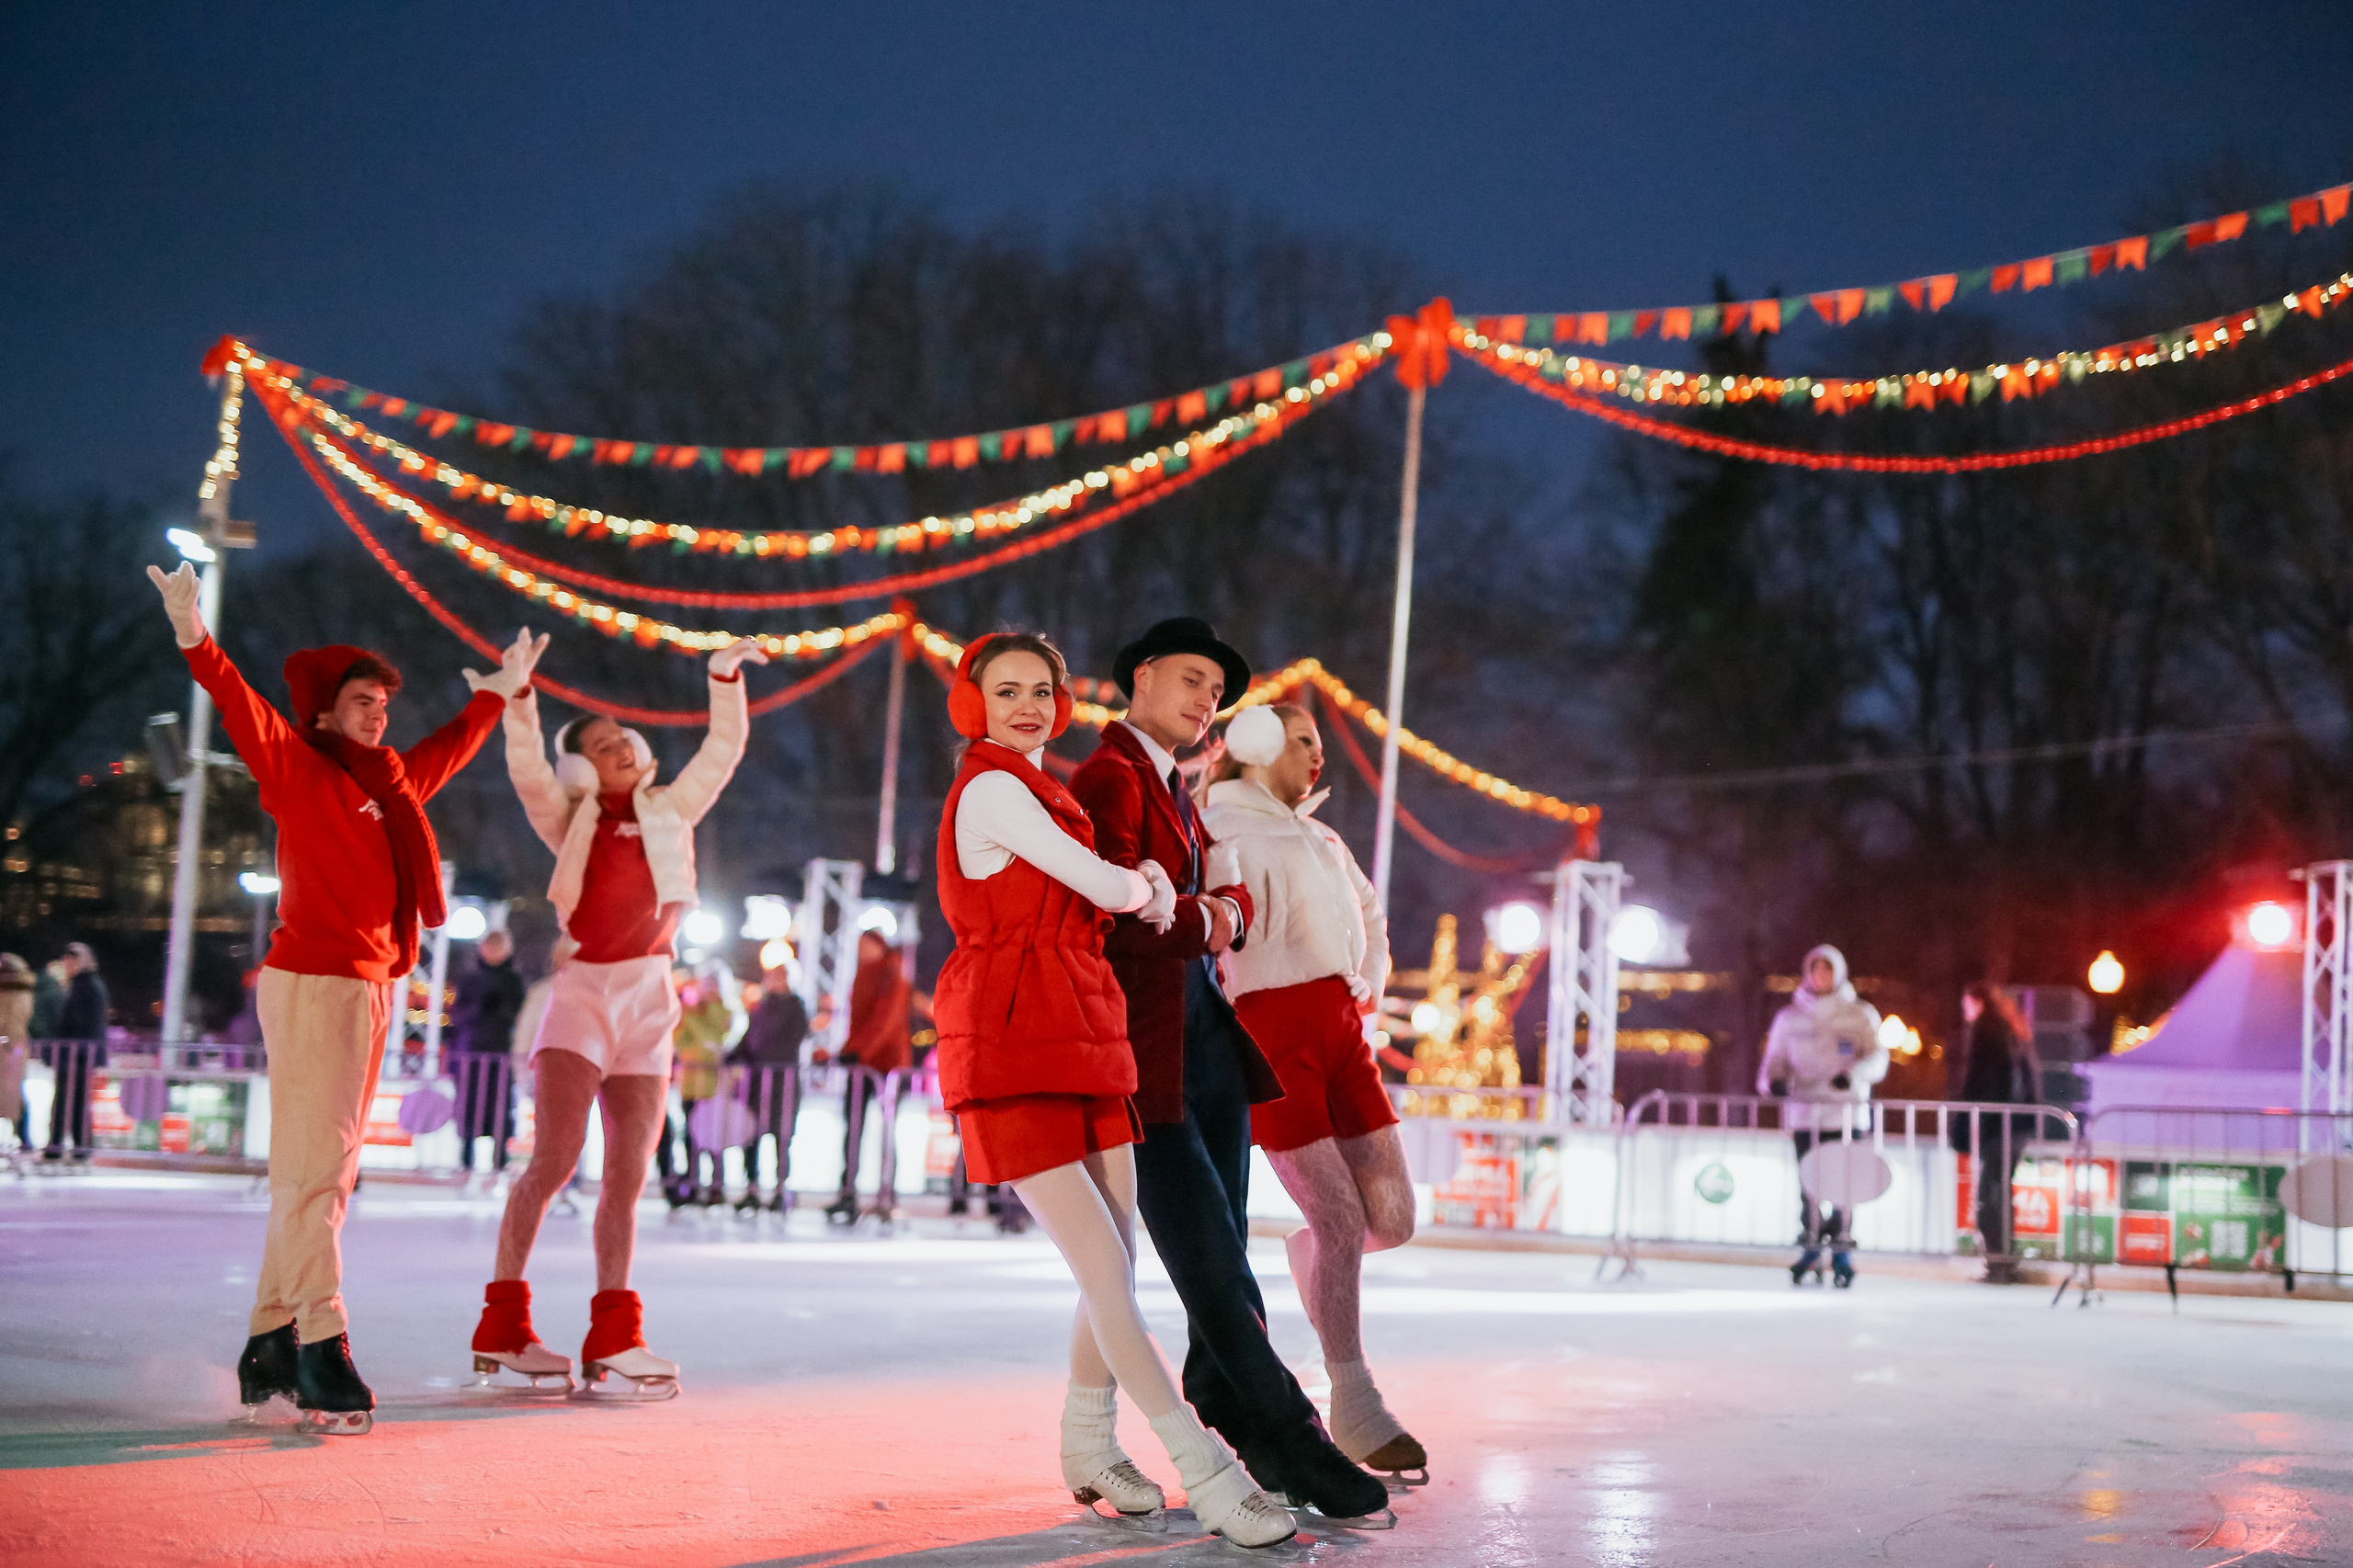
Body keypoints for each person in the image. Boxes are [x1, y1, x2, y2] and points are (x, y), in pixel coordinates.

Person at [146, 559, 533, 1436]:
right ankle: (321, 1344)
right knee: (319, 1178)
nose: (380, 714)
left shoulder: (388, 787)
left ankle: (269, 1341)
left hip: (366, 985)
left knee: (319, 1176)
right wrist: (191, 632)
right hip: (317, 982)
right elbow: (239, 701)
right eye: (363, 701)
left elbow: (444, 748)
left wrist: (498, 698)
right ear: (323, 713)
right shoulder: (299, 770)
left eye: (384, 704)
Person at [936, 630, 1292, 1546]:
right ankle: (1204, 1471)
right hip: (1016, 1035)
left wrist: (1159, 879)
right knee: (1106, 1270)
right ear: (973, 702)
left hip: (1082, 1024)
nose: (1026, 705)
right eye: (1006, 689)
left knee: (1118, 1259)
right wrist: (1143, 881)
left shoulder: (1046, 787)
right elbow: (1105, 884)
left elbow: (1124, 889)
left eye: (1041, 690)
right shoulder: (991, 787)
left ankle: (1087, 1438)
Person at [1071, 617, 1392, 1527]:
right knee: (1203, 1247)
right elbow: (1127, 912)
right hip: (1146, 1041)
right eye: (1190, 677)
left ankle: (1222, 1382)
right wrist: (1211, 915)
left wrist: (1219, 907)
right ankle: (1287, 1430)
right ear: (1140, 676)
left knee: (1227, 1241)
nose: (1207, 698)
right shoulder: (1108, 773)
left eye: (1216, 687)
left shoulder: (1175, 782)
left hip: (1201, 1031)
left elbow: (1221, 908)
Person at [469, 635, 761, 1398]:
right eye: (600, 747)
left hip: (650, 1000)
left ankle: (614, 1334)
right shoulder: (570, 820)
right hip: (584, 996)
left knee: (629, 1175)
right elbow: (529, 772)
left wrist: (722, 676)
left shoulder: (672, 808)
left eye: (622, 738)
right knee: (555, 1159)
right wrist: (520, 700)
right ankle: (502, 1325)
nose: (620, 748)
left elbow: (721, 751)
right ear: (582, 769)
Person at [1204, 703, 1424, 1481]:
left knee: (1391, 1220)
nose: (1317, 757)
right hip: (1271, 1028)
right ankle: (1355, 1400)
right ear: (1258, 743)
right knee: (1338, 1216)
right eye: (1303, 741)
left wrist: (1371, 982)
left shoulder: (1323, 836)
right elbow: (1212, 929)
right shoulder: (1217, 820)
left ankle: (1319, 1259)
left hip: (1341, 1026)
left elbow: (1371, 915)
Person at [1756, 943, 1888, 1288]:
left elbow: (1877, 1058)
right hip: (1806, 1114)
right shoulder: (1790, 1018)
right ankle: (1812, 1241)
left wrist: (1855, 1074)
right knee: (1810, 1185)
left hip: (1845, 1115)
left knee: (1843, 1186)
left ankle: (1841, 1245)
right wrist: (1775, 1082)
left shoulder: (1860, 1014)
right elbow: (1774, 1061)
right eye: (1815, 970)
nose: (1821, 977)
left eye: (1827, 970)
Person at [1954, 981, 2044, 1284]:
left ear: (1977, 1003)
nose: (1965, 1011)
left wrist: (1964, 1123)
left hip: (1999, 1124)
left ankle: (1999, 1261)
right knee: (1999, 1190)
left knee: (1991, 1194)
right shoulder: (2012, 1030)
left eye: (1967, 1004)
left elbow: (1978, 1081)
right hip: (2017, 1123)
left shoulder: (1987, 1031)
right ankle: (2003, 1259)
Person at [825, 929, 912, 1224]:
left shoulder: (892, 972)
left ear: (879, 946)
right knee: (853, 1129)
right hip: (861, 1062)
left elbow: (885, 1020)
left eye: (866, 946)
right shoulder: (862, 973)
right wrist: (851, 1051)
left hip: (886, 1064)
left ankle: (887, 1195)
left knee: (887, 1132)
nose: (862, 951)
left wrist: (855, 1052)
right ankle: (848, 1193)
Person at [728, 960, 808, 1212]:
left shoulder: (796, 1007)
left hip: (782, 1082)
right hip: (758, 1081)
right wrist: (736, 1055)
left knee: (782, 1137)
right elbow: (749, 1037)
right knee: (751, 1135)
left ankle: (780, 1190)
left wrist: (764, 1059)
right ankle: (751, 1187)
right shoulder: (761, 1006)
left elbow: (793, 1040)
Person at [449, 930, 527, 1177]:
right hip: (471, 1051)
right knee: (470, 1105)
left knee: (500, 1105)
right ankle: (466, 1156)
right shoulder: (471, 980)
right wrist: (478, 1010)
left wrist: (501, 1011)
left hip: (501, 1052)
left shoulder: (513, 982)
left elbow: (521, 1016)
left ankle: (500, 1156)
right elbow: (457, 1015)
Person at [0, 953, 32, 1156]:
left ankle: (21, 1139)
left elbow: (8, 1024)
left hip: (7, 1051)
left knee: (12, 1096)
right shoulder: (24, 993)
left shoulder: (11, 994)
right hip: (13, 1050)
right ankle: (22, 1138)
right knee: (14, 1096)